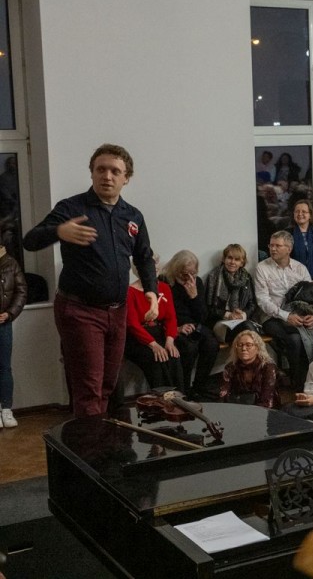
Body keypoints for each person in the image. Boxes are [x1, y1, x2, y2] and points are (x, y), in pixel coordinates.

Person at [22, 144, 158, 416]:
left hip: (117, 311)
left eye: (115, 171)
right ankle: (89, 442)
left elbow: (144, 257)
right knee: (89, 389)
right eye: (101, 169)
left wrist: (151, 293)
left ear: (126, 178)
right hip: (80, 310)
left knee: (107, 385)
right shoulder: (72, 208)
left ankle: (95, 437)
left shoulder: (133, 216)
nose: (107, 176)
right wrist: (59, 231)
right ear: (92, 173)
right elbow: (30, 240)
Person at [254, 230, 313, 389]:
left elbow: (312, 296)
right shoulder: (262, 268)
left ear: (289, 249)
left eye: (277, 246)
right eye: (271, 245)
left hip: (300, 314)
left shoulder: (300, 268)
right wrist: (286, 316)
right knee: (295, 339)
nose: (273, 249)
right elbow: (263, 300)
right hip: (271, 317)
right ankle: (299, 385)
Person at [159, 250, 219, 399]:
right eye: (185, 274)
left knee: (212, 344)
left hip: (194, 325)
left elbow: (203, 317)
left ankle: (199, 387)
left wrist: (194, 297)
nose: (189, 277)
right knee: (189, 348)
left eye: (193, 273)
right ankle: (183, 389)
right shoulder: (164, 282)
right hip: (173, 327)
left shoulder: (196, 282)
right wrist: (177, 329)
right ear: (176, 270)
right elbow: (161, 314)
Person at [124, 254, 183, 391]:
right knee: (156, 359)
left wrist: (170, 341)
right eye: (151, 264)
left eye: (156, 263)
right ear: (139, 269)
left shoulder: (164, 287)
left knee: (174, 356)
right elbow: (132, 324)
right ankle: (161, 400)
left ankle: (179, 398)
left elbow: (171, 318)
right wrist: (154, 345)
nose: (155, 267)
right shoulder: (129, 292)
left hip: (158, 332)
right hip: (137, 338)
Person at [204, 244, 257, 343]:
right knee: (246, 330)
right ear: (224, 259)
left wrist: (242, 315)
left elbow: (252, 304)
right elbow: (207, 308)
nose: (232, 262)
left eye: (237, 259)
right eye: (229, 258)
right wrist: (228, 315)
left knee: (246, 328)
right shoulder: (213, 276)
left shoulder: (246, 278)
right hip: (219, 321)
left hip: (241, 320)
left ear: (242, 263)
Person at [218, 329, 279, 408]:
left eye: (248, 345)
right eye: (240, 345)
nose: (243, 348)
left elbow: (267, 399)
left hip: (264, 409)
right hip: (237, 407)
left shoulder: (268, 367)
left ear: (257, 348)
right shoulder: (230, 368)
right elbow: (223, 395)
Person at [0, 241, 26, 428]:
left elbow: (21, 292)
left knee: (4, 367)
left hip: (3, 324)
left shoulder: (11, 264)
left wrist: (9, 314)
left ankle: (7, 409)